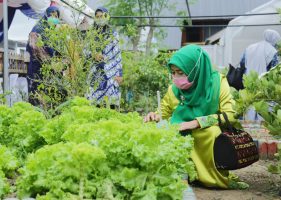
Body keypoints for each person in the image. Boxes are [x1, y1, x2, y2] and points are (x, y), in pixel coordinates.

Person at [144, 45, 248, 189]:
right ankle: (180, 174)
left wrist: (196, 122)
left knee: (212, 133)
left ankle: (208, 177)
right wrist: (154, 116)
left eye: (181, 72)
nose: (177, 78)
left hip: (204, 129)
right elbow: (163, 111)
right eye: (173, 73)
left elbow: (230, 115)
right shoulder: (174, 90)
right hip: (180, 129)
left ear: (196, 69)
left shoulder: (218, 83)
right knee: (157, 130)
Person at [240, 29, 281, 121]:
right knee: (263, 108)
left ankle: (249, 127)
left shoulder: (249, 47)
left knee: (249, 105)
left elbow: (242, 63)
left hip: (248, 82)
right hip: (263, 86)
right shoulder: (272, 51)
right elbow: (273, 72)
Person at [87, 7, 122, 109]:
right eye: (97, 17)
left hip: (110, 72)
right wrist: (93, 55)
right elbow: (85, 51)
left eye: (101, 16)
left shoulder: (113, 34)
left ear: (107, 16)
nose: (99, 19)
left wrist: (120, 74)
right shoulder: (91, 34)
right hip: (94, 72)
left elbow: (117, 55)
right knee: (94, 103)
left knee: (110, 104)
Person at [26, 6, 60, 105]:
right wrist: (51, 62)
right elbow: (35, 48)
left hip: (50, 71)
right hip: (38, 69)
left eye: (56, 16)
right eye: (51, 15)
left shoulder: (53, 32)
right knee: (37, 97)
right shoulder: (38, 29)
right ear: (46, 15)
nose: (54, 18)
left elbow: (57, 51)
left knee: (50, 98)